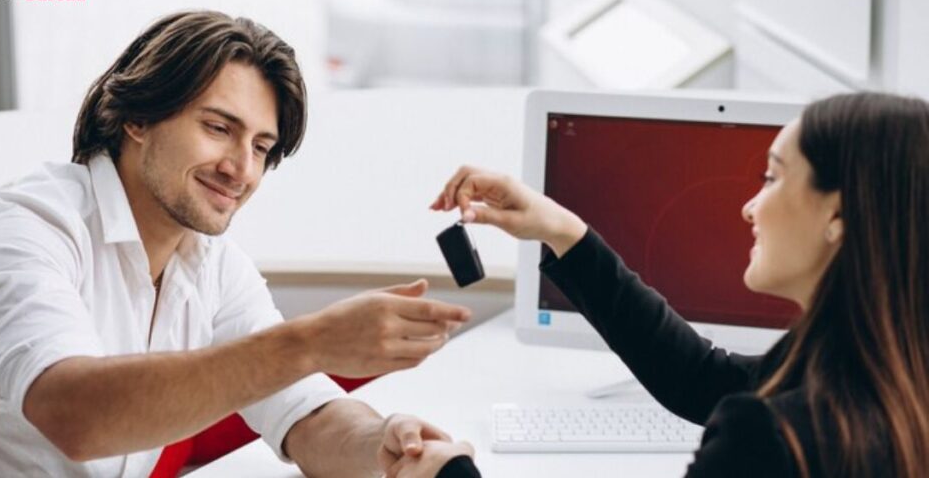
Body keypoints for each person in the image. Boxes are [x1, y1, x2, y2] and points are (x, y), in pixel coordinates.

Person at [0, 11, 471, 476]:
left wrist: (385, 448)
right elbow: (75, 416)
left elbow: (306, 415)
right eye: (219, 128)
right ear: (138, 119)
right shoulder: (18, 228)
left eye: (261, 147)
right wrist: (310, 341)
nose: (240, 169)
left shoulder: (214, 268)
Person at [398, 92, 929, 478]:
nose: (750, 207)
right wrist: (561, 231)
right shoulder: (885, 376)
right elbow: (705, 379)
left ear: (836, 215)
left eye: (771, 178)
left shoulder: (768, 440)